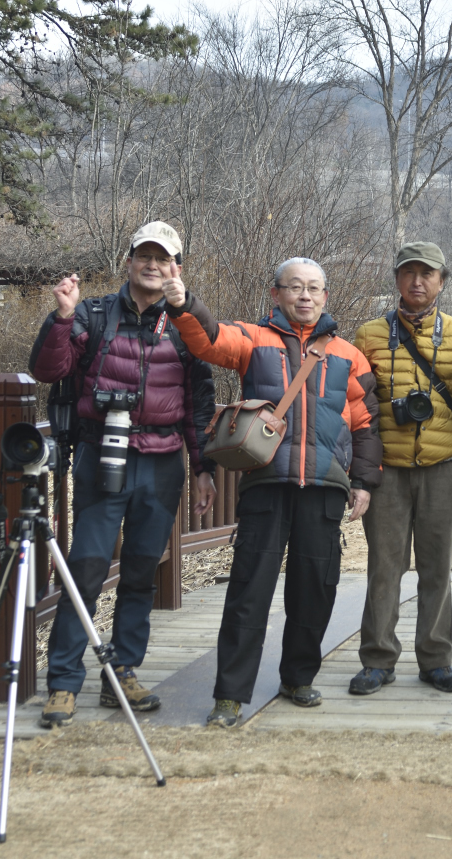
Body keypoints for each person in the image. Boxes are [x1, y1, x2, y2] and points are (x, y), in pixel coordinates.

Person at [160, 258, 383, 727]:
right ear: (276, 293)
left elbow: (366, 423)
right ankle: (229, 695)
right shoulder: (253, 339)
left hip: (324, 487)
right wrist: (183, 305)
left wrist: (363, 482)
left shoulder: (349, 354)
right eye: (295, 287)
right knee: (249, 591)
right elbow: (208, 339)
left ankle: (298, 678)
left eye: (314, 288)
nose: (305, 296)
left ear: (325, 296)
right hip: (266, 484)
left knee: (315, 589)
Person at [29, 221, 217, 727]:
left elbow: (199, 405)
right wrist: (61, 317)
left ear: (176, 268)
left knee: (140, 571)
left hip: (162, 463)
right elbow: (48, 370)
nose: (152, 265)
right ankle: (63, 682)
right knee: (86, 569)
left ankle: (123, 672)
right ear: (128, 261)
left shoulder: (185, 324)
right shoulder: (91, 314)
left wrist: (204, 467)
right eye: (144, 256)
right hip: (102, 454)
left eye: (163, 258)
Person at [350, 242, 452, 695]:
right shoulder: (368, 336)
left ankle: (436, 659)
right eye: (408, 272)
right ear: (396, 279)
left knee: (437, 567)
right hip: (387, 471)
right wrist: (364, 467)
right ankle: (377, 659)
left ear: (442, 281)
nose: (417, 281)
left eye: (427, 273)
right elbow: (357, 407)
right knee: (384, 566)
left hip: (442, 468)